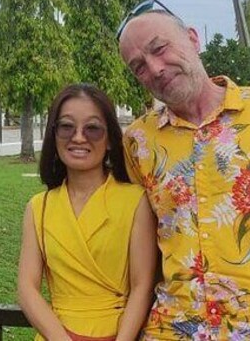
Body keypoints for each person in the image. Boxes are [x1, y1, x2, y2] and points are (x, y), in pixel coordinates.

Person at [117, 0, 250, 340]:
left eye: (159, 48)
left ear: (192, 38)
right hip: (173, 329)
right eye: (138, 66)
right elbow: (137, 246)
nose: (155, 68)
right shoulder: (137, 141)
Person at [17, 83, 156, 341]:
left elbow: (142, 286)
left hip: (118, 332)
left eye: (92, 128)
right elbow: (27, 288)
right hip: (56, 334)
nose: (78, 137)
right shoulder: (39, 207)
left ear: (111, 140)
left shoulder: (135, 201)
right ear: (54, 134)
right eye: (67, 127)